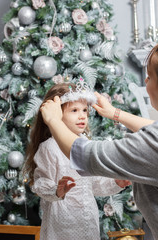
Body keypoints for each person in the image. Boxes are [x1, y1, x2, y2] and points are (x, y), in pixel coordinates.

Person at [40, 44, 158, 240]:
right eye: (73, 110)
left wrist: (52, 120)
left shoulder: (81, 141)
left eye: (150, 76)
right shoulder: (48, 148)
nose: (145, 80)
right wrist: (114, 113)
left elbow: (86, 160)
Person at [24, 82, 130, 240]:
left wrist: (116, 182)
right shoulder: (49, 148)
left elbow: (94, 184)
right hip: (61, 225)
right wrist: (57, 189)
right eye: (74, 110)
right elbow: (39, 184)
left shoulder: (85, 144)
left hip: (88, 221)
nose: (82, 116)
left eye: (85, 110)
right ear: (56, 114)